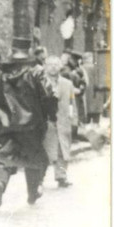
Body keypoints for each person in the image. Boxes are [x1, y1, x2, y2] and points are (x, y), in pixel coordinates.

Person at [0, 41, 57, 208]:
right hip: (31, 124)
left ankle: (1, 184)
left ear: (11, 51)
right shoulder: (37, 70)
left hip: (3, 122)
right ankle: (32, 193)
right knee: (32, 158)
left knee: (3, 156)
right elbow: (48, 95)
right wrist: (50, 115)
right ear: (29, 51)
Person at [42, 55, 75, 188]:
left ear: (60, 66)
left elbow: (72, 103)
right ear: (45, 66)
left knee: (63, 150)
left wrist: (73, 119)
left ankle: (61, 176)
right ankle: (39, 177)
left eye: (56, 64)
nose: (53, 67)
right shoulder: (40, 83)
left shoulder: (68, 84)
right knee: (44, 151)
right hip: (46, 122)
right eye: (50, 64)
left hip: (63, 121)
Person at [81, 51, 98, 123]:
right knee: (94, 110)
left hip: (84, 91)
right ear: (89, 59)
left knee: (85, 107)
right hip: (94, 91)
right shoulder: (94, 67)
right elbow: (97, 79)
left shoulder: (81, 67)